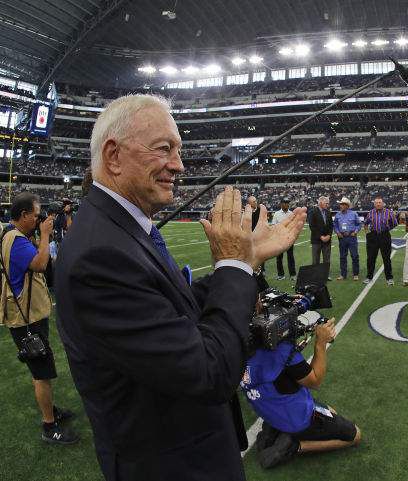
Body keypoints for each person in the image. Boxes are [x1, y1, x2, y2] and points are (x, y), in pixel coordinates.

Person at [54, 94, 307, 481]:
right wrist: (234, 264)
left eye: (179, 150)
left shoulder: (120, 229)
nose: (179, 164)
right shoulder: (100, 255)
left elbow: (176, 309)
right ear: (114, 156)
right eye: (164, 149)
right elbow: (209, 373)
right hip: (171, 464)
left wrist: (246, 261)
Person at [0, 192, 78, 445]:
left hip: (27, 314)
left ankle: (51, 410)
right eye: (35, 215)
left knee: (42, 367)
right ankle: (48, 425)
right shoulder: (17, 240)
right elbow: (41, 263)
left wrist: (41, 233)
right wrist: (44, 235)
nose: (39, 218)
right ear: (23, 216)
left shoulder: (14, 235)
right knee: (41, 372)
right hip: (26, 318)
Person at [241, 318, 361, 469]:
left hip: (268, 408)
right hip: (298, 418)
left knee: (328, 410)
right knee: (355, 435)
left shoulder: (232, 348)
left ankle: (273, 430)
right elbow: (315, 381)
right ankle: (295, 445)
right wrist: (321, 342)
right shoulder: (281, 352)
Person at [363, 196, 398, 285]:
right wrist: (368, 233)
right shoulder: (371, 212)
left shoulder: (388, 212)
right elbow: (366, 223)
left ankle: (389, 278)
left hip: (384, 236)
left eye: (380, 202)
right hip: (373, 236)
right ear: (374, 204)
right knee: (371, 258)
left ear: (382, 204)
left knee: (386, 258)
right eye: (377, 203)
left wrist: (387, 230)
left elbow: (394, 223)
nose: (378, 204)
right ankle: (369, 277)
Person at [333, 197, 361, 281]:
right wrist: (337, 232)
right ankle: (343, 274)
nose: (340, 206)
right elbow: (335, 225)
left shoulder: (354, 214)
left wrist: (355, 232)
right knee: (342, 257)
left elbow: (359, 224)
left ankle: (355, 274)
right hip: (342, 238)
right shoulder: (337, 214)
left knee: (354, 256)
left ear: (347, 206)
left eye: (342, 204)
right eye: (340, 204)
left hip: (352, 237)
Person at [273, 198, 296, 281]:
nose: (287, 204)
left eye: (288, 203)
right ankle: (280, 274)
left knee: (290, 257)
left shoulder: (292, 214)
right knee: (279, 258)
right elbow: (274, 226)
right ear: (281, 204)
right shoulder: (276, 214)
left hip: (289, 238)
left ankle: (292, 275)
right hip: (279, 238)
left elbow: (294, 225)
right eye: (285, 203)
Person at [309, 196, 333, 267]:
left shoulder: (328, 212)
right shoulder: (312, 212)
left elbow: (331, 225)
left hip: (327, 240)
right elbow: (312, 226)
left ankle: (326, 276)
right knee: (315, 260)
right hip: (316, 240)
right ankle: (316, 277)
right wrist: (320, 236)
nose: (327, 205)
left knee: (327, 260)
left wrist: (329, 235)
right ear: (320, 203)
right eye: (326, 203)